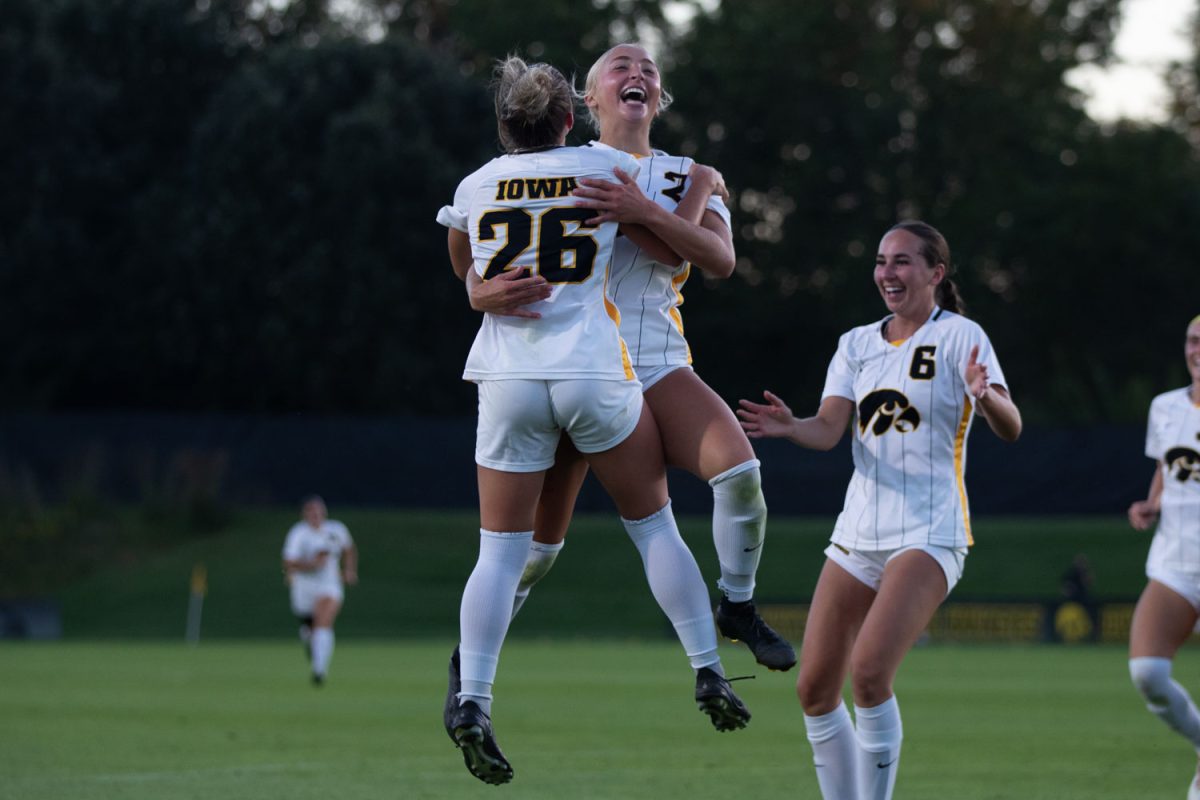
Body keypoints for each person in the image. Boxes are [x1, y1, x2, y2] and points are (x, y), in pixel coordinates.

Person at [436, 55, 750, 786]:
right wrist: (703, 181)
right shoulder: (605, 167)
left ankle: (474, 700)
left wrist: (484, 288)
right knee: (654, 528)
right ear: (570, 118)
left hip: (508, 376)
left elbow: (462, 262)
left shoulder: (477, 182)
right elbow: (673, 231)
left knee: (500, 554)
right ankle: (707, 669)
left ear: (504, 125)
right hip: (594, 371)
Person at [464, 42, 795, 673]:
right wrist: (479, 289)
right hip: (573, 362)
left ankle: (738, 605)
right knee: (536, 548)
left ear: (660, 96)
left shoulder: (683, 170)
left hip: (656, 359)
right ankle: (472, 660)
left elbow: (720, 260)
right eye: (620, 66)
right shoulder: (564, 161)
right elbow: (491, 243)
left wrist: (668, 198)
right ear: (586, 101)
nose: (636, 73)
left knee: (741, 474)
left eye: (648, 68)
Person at [737, 220, 1022, 800]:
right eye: (881, 261)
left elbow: (1011, 427)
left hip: (930, 530)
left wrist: (985, 395)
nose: (887, 273)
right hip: (858, 532)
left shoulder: (962, 336)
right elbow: (828, 430)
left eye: (902, 262)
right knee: (814, 690)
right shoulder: (857, 343)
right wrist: (792, 427)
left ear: (935, 274)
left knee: (868, 676)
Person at [1127, 314, 1200, 800]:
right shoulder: (1166, 407)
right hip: (1175, 561)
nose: (1199, 350)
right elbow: (1167, 467)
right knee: (1148, 673)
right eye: (1194, 341)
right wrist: (1152, 503)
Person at [281, 495, 357, 686]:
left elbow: (349, 549)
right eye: (311, 512)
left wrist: (349, 571)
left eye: (318, 511)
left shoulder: (336, 529)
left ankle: (319, 670)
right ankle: (310, 640)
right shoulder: (298, 534)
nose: (315, 515)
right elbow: (288, 563)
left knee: (324, 621)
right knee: (310, 627)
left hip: (329, 584)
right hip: (304, 586)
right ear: (304, 514)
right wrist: (312, 564)